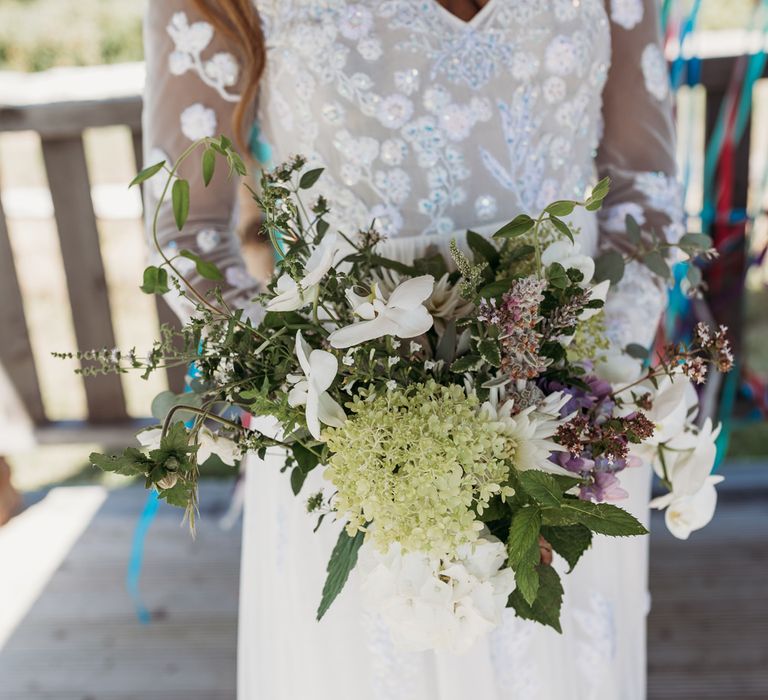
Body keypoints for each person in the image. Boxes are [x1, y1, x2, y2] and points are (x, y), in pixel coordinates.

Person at [143, 1, 682, 697]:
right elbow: (188, 231)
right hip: (349, 453)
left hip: (565, 428)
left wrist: (595, 384)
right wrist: (311, 393)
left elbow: (645, 180)